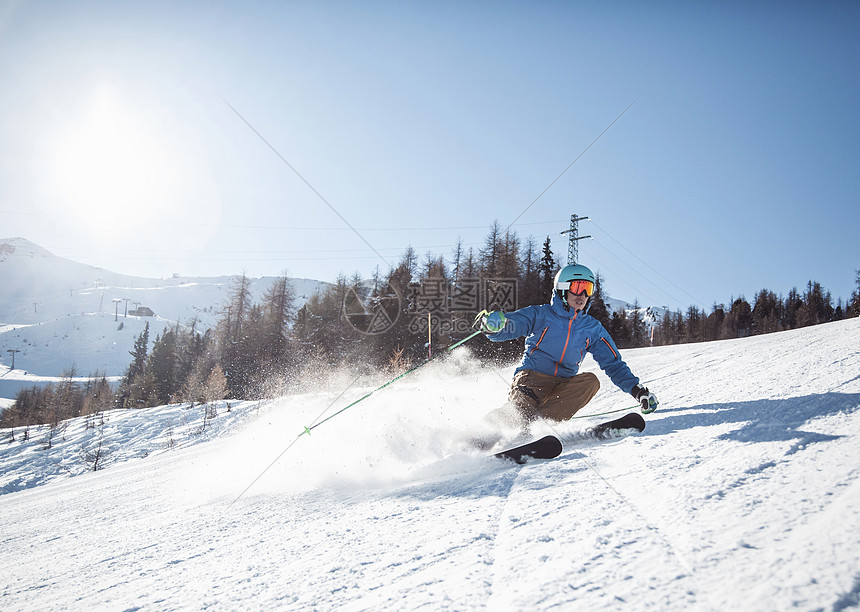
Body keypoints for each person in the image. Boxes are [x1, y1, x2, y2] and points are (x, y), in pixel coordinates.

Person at [477, 264, 658, 431]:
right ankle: (477, 435)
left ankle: (539, 429)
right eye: (577, 287)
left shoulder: (592, 328)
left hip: (564, 386)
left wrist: (638, 391)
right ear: (562, 289)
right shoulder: (542, 314)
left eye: (587, 289)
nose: (582, 295)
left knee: (591, 382)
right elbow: (512, 325)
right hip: (532, 382)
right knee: (516, 415)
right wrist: (494, 327)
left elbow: (614, 364)